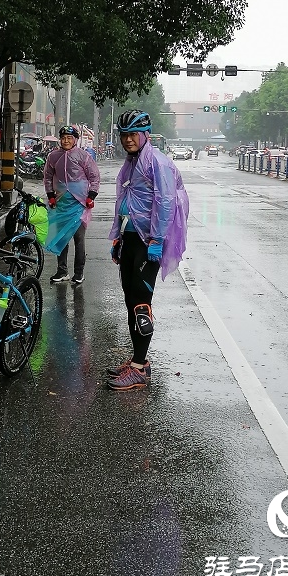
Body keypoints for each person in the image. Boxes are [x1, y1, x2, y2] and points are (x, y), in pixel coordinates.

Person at [107, 110, 189, 391]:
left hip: (148, 241)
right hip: (131, 238)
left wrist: (156, 240)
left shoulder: (158, 163)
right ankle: (137, 360)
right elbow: (124, 200)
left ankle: (140, 369)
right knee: (131, 300)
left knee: (141, 304)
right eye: (124, 135)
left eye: (133, 134)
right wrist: (118, 237)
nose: (128, 140)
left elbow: (165, 202)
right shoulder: (130, 163)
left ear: (146, 135)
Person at [44, 125, 100, 285]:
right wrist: (50, 195)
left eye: (69, 138)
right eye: (63, 138)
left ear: (75, 139)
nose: (66, 141)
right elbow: (47, 177)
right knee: (61, 238)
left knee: (79, 240)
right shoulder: (53, 157)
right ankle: (62, 271)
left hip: (79, 204)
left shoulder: (84, 156)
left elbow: (94, 176)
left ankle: (79, 273)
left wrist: (91, 196)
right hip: (61, 204)